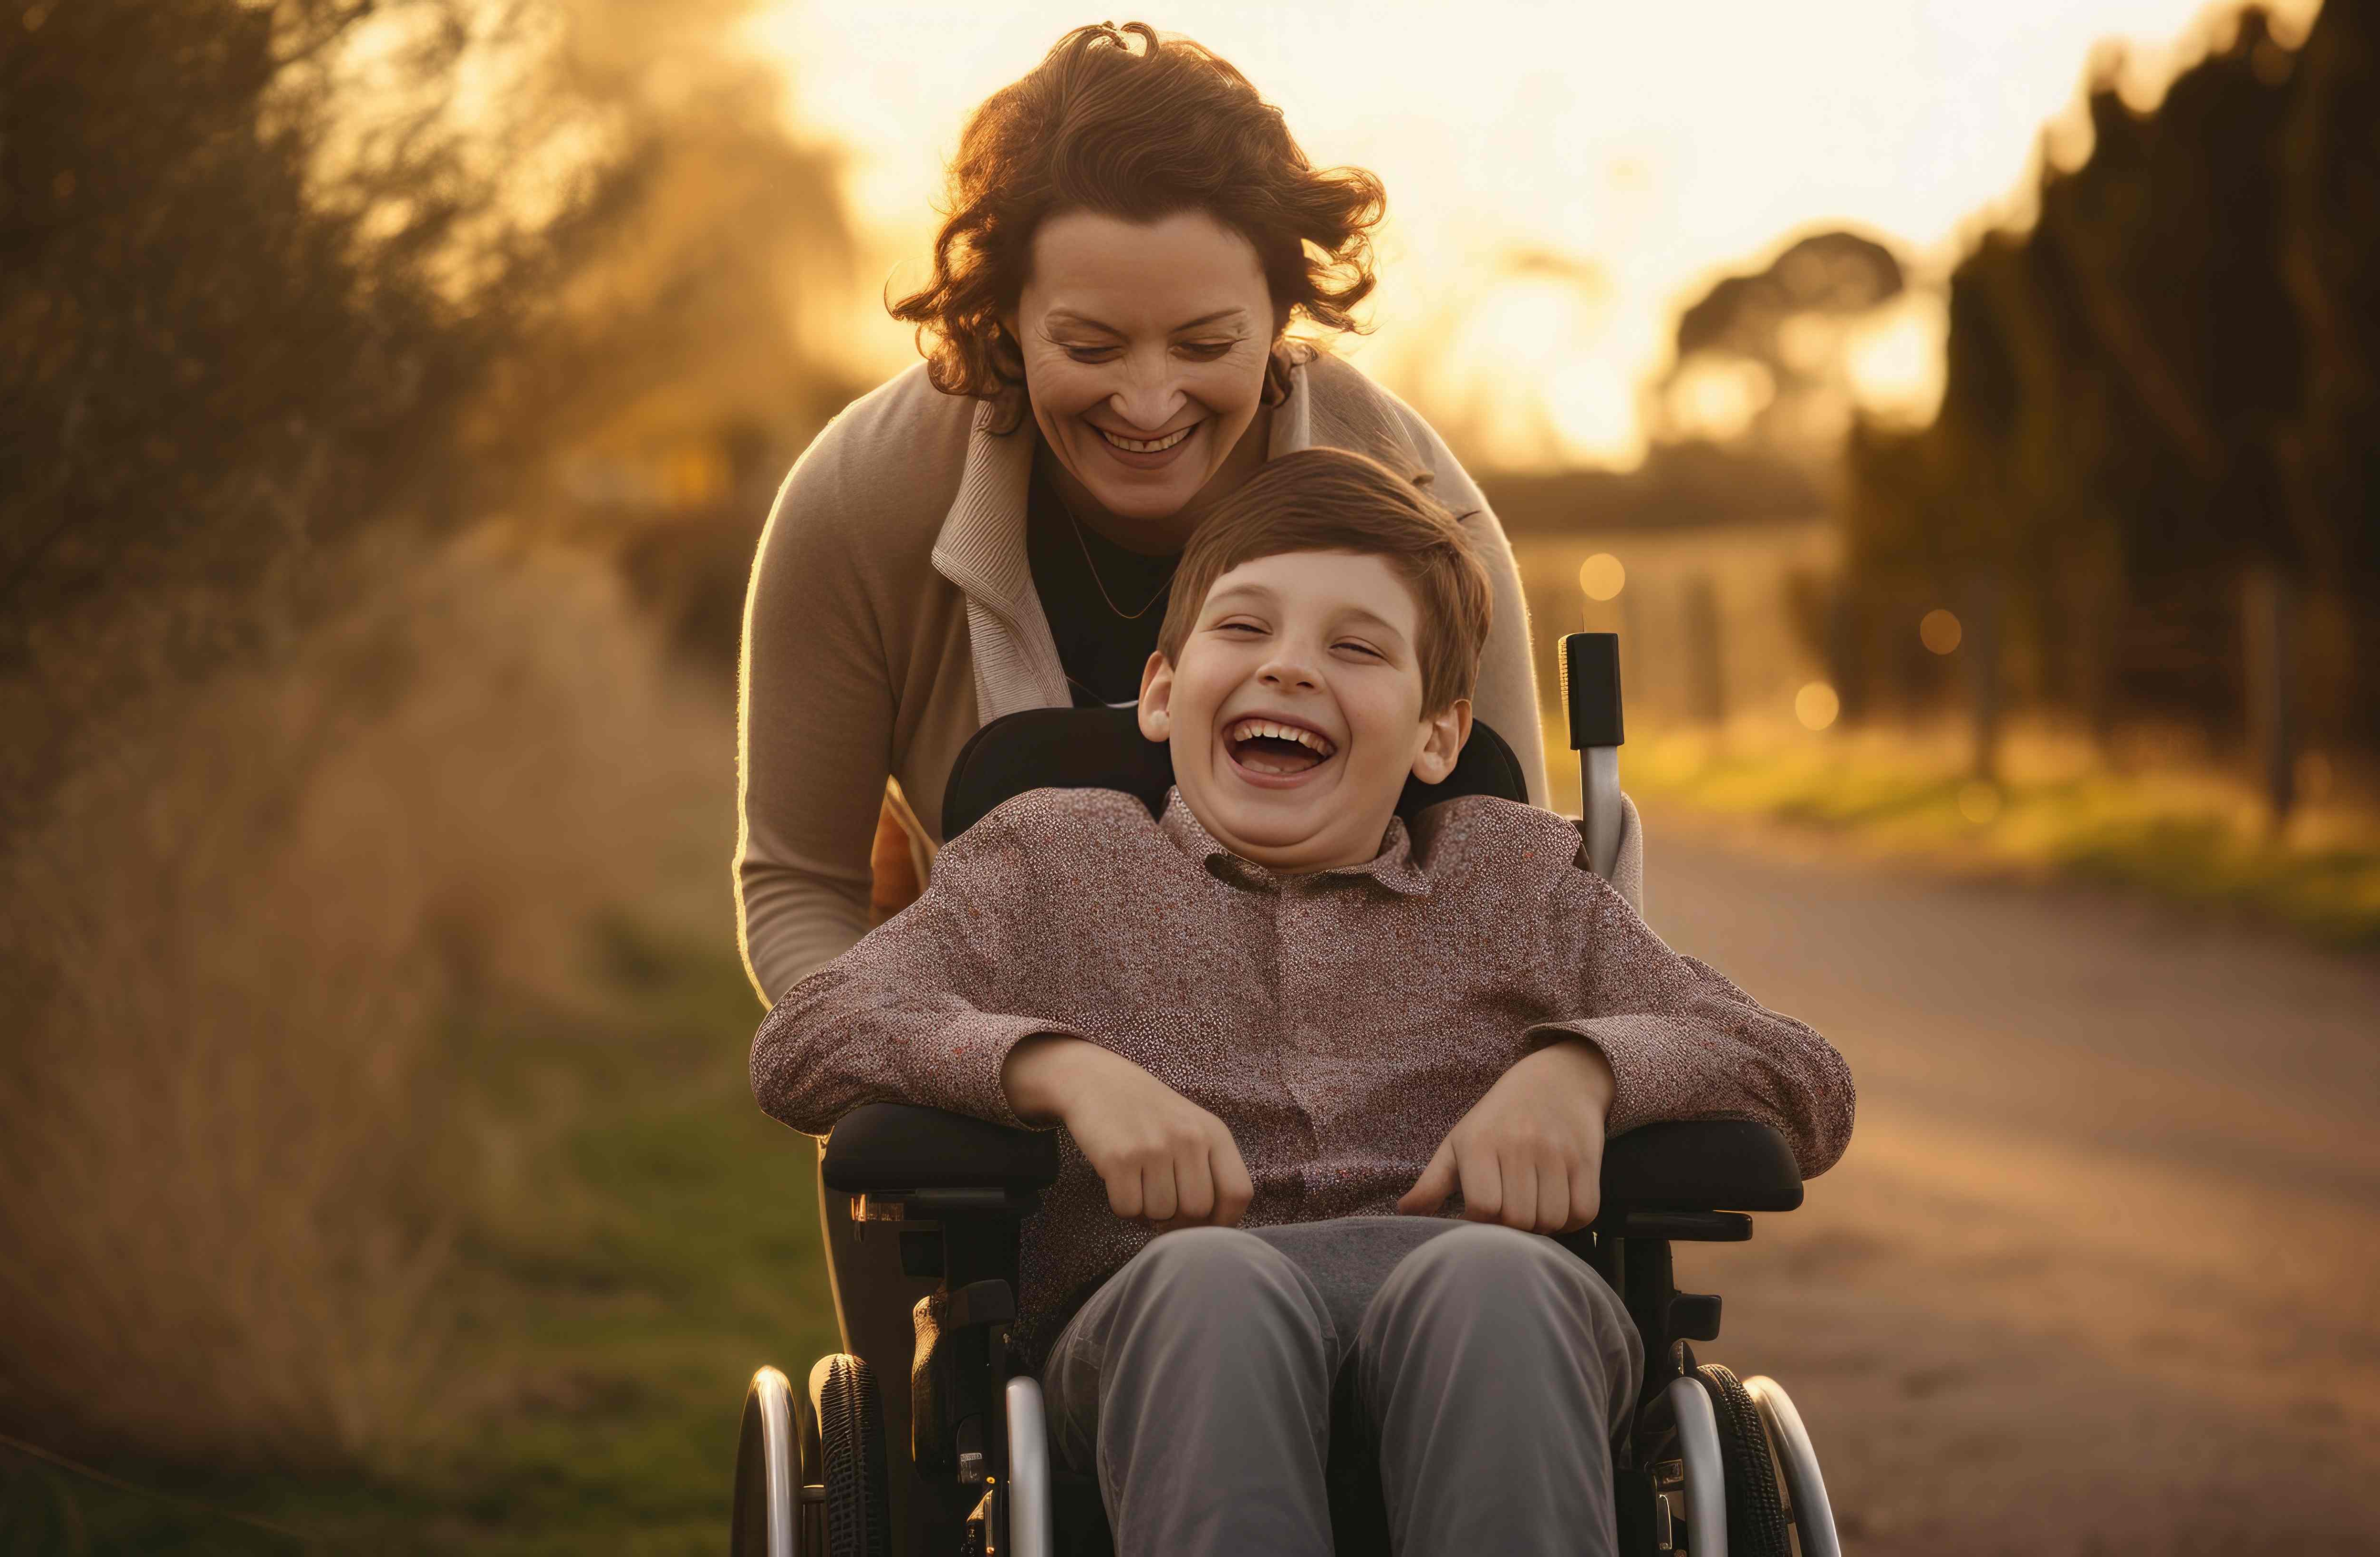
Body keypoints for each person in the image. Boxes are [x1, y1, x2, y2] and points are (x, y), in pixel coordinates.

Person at [750, 449, 1855, 1557]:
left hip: (1487, 1330)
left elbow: (1799, 1079)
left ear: (1437, 736)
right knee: (1207, 1279)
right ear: (1162, 691)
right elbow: (807, 1038)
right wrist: (1053, 1068)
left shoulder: (1514, 880)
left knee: (1491, 1278)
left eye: (1357, 648)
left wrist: (1585, 1072)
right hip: (1153, 1337)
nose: (1287, 670)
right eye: (1243, 629)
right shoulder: (1046, 862)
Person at [736, 22, 1631, 1012]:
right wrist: (947, 1085)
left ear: (1281, 317)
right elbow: (801, 886)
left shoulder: (1419, 515)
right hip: (995, 1091)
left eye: (1206, 344)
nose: (1149, 402)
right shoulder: (864, 500)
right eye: (1088, 345)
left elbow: (1507, 896)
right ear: (1003, 316)